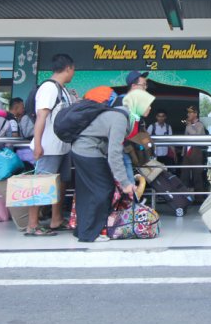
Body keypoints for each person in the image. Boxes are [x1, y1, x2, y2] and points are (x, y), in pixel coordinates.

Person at [71, 89, 155, 242]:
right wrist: (125, 183)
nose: (150, 108)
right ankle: (91, 233)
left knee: (88, 192)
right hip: (89, 151)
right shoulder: (120, 118)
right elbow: (115, 153)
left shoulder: (125, 115)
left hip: (82, 150)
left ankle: (82, 230)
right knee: (104, 190)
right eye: (148, 104)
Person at [27, 53, 75, 236]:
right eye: (73, 70)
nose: (73, 73)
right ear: (68, 68)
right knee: (41, 183)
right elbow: (42, 117)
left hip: (62, 146)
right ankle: (33, 224)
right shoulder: (49, 88)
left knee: (61, 182)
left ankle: (56, 219)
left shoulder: (62, 89)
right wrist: (38, 144)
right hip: (48, 146)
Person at [180, 105, 207, 202]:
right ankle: (182, 198)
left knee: (197, 176)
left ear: (195, 114)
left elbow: (195, 135)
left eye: (191, 112)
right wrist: (183, 152)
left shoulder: (199, 124)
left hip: (196, 151)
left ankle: (199, 198)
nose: (188, 114)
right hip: (187, 151)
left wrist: (188, 125)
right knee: (184, 175)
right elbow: (185, 139)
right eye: (188, 112)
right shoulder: (188, 124)